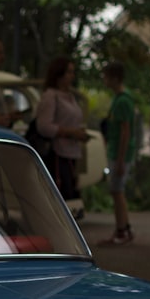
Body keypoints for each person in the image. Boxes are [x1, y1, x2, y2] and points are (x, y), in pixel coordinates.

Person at [34, 55, 89, 203]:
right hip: (58, 152)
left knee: (71, 190)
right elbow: (44, 126)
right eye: (69, 72)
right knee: (62, 192)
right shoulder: (51, 97)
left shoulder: (70, 96)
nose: (72, 76)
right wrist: (69, 132)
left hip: (72, 152)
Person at [100, 61, 137, 245]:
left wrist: (121, 159)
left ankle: (121, 229)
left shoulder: (123, 100)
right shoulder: (119, 98)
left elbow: (125, 130)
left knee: (117, 190)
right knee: (116, 190)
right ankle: (124, 226)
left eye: (106, 77)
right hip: (115, 150)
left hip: (119, 153)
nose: (104, 81)